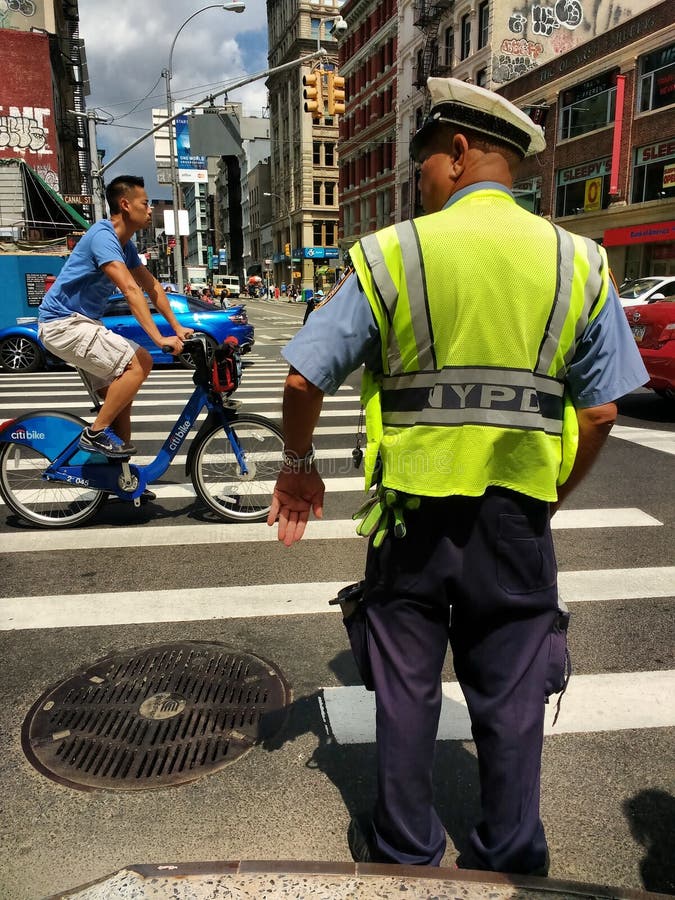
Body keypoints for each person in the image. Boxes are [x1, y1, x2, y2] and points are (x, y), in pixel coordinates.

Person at [267, 78, 648, 874]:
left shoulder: (392, 254)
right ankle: (508, 856)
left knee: (405, 689)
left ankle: (406, 851)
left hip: (410, 518)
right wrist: (545, 495)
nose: (420, 183)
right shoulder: (579, 261)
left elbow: (303, 381)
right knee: (509, 694)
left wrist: (299, 467)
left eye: (423, 166)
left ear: (460, 151)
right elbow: (601, 413)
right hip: (514, 519)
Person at [38, 175, 192, 458]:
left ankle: (121, 479)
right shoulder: (103, 237)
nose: (149, 210)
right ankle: (95, 434)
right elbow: (131, 289)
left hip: (81, 323)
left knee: (120, 402)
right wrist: (158, 338)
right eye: (145, 203)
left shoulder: (125, 245)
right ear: (125, 204)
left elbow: (152, 286)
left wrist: (178, 326)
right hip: (63, 323)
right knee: (140, 361)